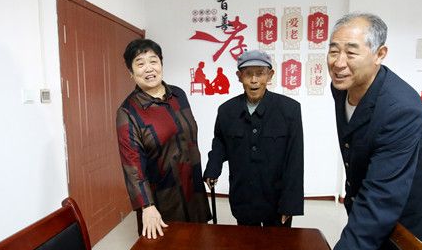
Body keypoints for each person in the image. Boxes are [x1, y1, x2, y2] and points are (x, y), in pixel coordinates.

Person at [293, 13, 422, 250]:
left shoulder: (401, 109)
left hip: (403, 221)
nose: (338, 62)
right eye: (333, 50)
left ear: (379, 54)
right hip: (366, 209)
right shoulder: (342, 87)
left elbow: (382, 198)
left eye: (351, 52)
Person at [116, 39, 211, 239]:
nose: (149, 68)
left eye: (153, 61)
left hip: (193, 188)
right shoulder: (128, 112)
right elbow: (132, 165)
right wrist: (147, 205)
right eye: (140, 64)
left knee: (199, 245)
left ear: (161, 64)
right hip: (162, 199)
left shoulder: (178, 95)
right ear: (131, 72)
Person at [204, 50, 304, 227]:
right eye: (248, 74)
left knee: (278, 243)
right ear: (239, 77)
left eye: (260, 73)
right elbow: (220, 142)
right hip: (243, 196)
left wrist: (290, 204)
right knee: (246, 243)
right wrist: (213, 167)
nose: (254, 80)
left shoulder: (290, 110)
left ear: (270, 75)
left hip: (277, 200)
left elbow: (295, 160)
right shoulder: (227, 111)